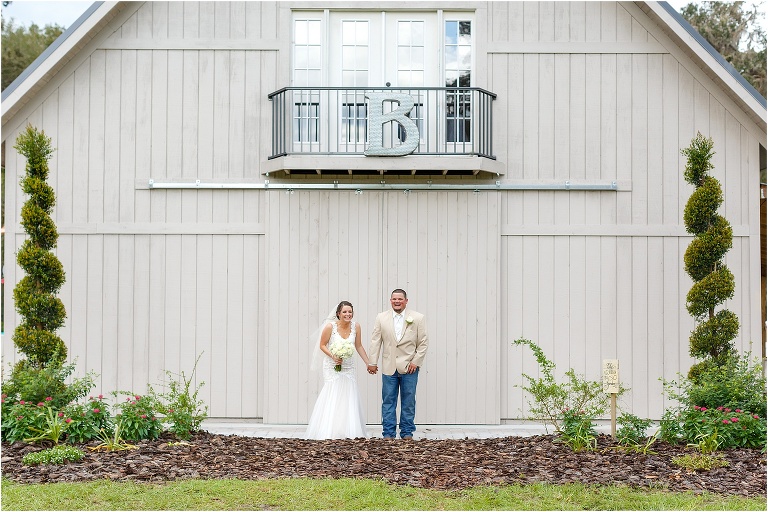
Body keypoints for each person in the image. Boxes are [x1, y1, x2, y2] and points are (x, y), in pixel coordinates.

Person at [305, 301, 373, 439]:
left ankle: (348, 430)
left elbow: (358, 346)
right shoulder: (330, 327)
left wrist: (368, 363)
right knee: (334, 392)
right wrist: (333, 356)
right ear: (338, 314)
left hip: (348, 366)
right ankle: (330, 430)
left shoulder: (356, 326)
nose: (348, 314)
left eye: (350, 312)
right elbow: (322, 345)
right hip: (332, 365)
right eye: (345, 312)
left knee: (348, 394)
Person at [367, 289, 429, 439]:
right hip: (389, 367)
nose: (397, 301)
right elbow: (376, 341)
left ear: (406, 301)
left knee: (408, 401)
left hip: (410, 367)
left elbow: (423, 343)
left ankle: (407, 433)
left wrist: (416, 361)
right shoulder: (381, 317)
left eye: (400, 299)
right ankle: (388, 433)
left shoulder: (418, 318)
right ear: (390, 300)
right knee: (388, 401)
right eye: (394, 299)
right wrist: (372, 362)